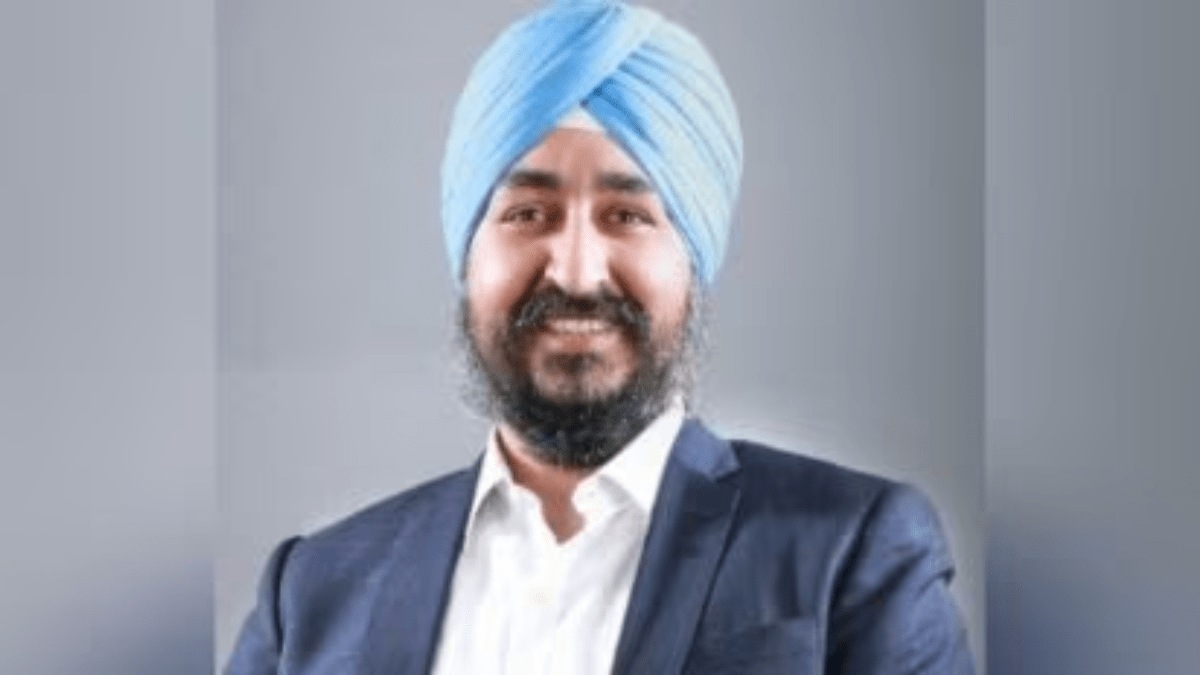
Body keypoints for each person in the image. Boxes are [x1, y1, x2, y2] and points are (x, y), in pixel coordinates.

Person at [226, 0, 975, 672]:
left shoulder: (851, 554)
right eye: (528, 214)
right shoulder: (313, 593)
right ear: (468, 256)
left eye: (628, 216)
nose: (578, 272)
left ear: (692, 260)